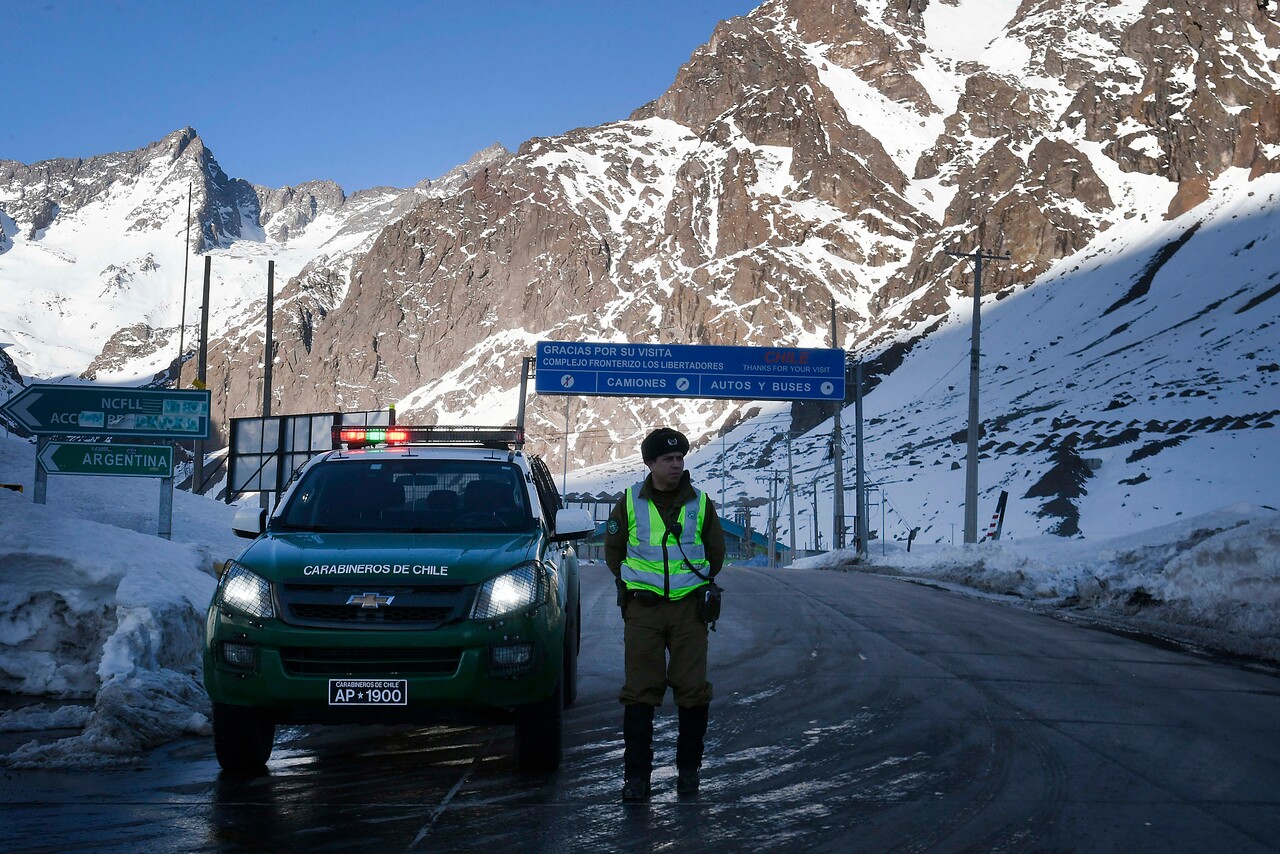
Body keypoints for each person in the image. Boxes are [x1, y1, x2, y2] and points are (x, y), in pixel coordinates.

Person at [604, 427, 726, 801]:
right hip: (643, 611)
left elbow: (716, 554)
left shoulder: (701, 503)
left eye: (679, 459)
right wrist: (638, 583)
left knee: (692, 691)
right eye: (668, 460)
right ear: (650, 464)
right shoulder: (629, 503)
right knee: (640, 693)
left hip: (690, 611)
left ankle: (689, 773)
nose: (676, 465)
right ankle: (637, 779)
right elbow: (613, 551)